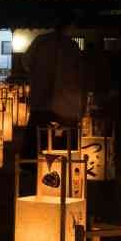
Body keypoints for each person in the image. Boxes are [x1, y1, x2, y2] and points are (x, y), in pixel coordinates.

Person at [20, 15, 86, 160]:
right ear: (69, 26)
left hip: (41, 99)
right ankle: (61, 168)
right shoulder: (72, 46)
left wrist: (38, 74)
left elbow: (26, 62)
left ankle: (32, 165)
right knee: (62, 145)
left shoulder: (41, 41)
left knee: (37, 139)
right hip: (65, 103)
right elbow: (79, 74)